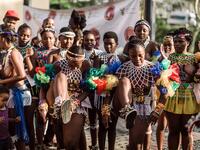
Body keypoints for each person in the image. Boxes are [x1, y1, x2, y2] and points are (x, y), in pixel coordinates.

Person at [112, 38, 167, 150]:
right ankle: (128, 110)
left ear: (145, 53)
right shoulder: (124, 67)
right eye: (133, 56)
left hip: (143, 107)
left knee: (135, 144)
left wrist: (157, 111)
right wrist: (107, 109)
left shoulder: (153, 68)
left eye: (140, 55)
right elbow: (111, 89)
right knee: (123, 81)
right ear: (129, 55)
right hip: (125, 106)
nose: (137, 59)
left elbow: (165, 93)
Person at [46, 45, 90, 149]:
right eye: (73, 63)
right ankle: (59, 105)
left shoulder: (86, 65)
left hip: (76, 102)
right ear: (67, 58)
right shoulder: (58, 65)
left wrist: (75, 103)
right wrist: (43, 101)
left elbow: (89, 88)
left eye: (78, 63)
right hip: (58, 98)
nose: (75, 66)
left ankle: (64, 109)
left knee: (70, 143)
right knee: (61, 76)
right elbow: (48, 85)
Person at [164, 28, 200, 150]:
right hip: (172, 97)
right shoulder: (168, 58)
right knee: (173, 131)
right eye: (176, 41)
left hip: (190, 98)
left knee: (186, 131)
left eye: (180, 41)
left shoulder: (195, 58)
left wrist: (196, 75)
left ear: (188, 42)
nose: (177, 44)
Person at [0, 29, 31, 150]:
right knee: (13, 130)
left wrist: (1, 82)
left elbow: (22, 75)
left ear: (3, 38)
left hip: (18, 93)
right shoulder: (6, 53)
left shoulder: (13, 52)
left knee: (17, 130)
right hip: (12, 92)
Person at [156, 35, 175, 150]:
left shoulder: (177, 58)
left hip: (174, 96)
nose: (167, 47)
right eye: (165, 45)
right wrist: (163, 58)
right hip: (161, 95)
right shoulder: (159, 59)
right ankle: (159, 148)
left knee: (174, 126)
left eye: (170, 45)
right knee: (161, 124)